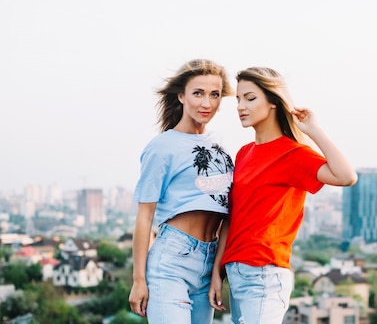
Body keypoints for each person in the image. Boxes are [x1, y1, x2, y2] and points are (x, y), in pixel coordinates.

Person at [209, 67, 358, 323]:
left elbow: (346, 176)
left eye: (251, 98)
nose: (241, 106)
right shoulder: (244, 154)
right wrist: (216, 273)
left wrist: (313, 129)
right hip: (237, 273)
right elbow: (230, 219)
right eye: (238, 99)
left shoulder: (293, 155)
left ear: (273, 103)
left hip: (264, 275)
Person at [128, 59, 235, 324]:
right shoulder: (162, 147)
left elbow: (227, 212)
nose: (206, 103)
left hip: (208, 261)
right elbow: (145, 216)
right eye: (198, 93)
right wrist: (139, 280)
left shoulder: (219, 143)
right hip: (172, 261)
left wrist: (216, 274)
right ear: (181, 96)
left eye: (215, 94)